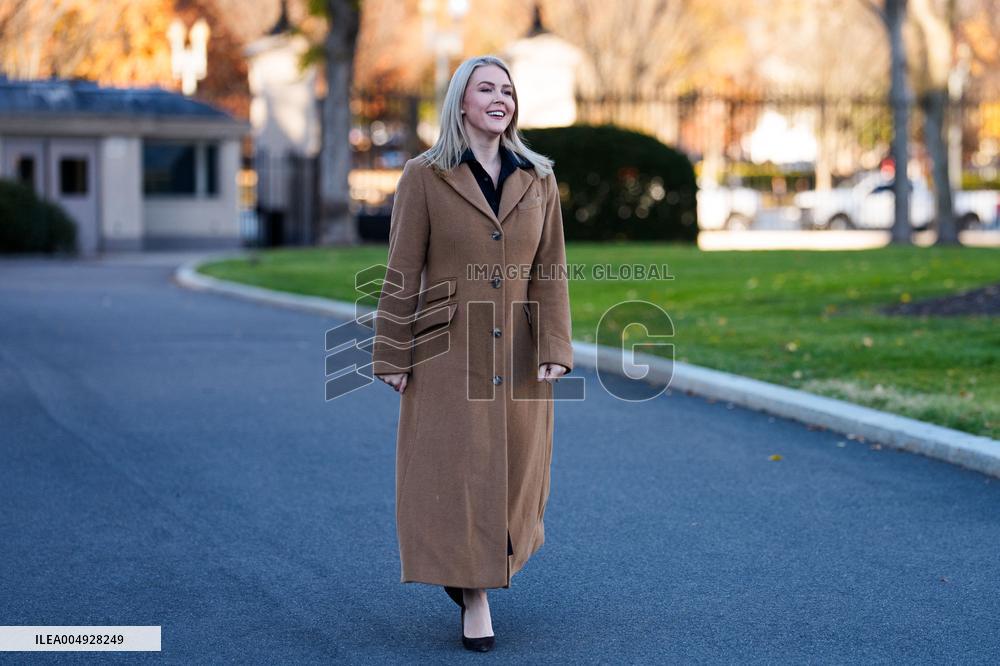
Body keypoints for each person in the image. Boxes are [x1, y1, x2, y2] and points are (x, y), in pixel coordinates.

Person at [371, 54, 573, 653]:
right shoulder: (424, 176)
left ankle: (481, 564)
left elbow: (552, 270)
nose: (500, 97)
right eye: (486, 88)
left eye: (508, 90)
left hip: (518, 351)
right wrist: (392, 354)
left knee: (513, 474)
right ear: (461, 101)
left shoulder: (539, 177)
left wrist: (556, 344)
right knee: (456, 473)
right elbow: (402, 271)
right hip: (447, 352)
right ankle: (476, 596)